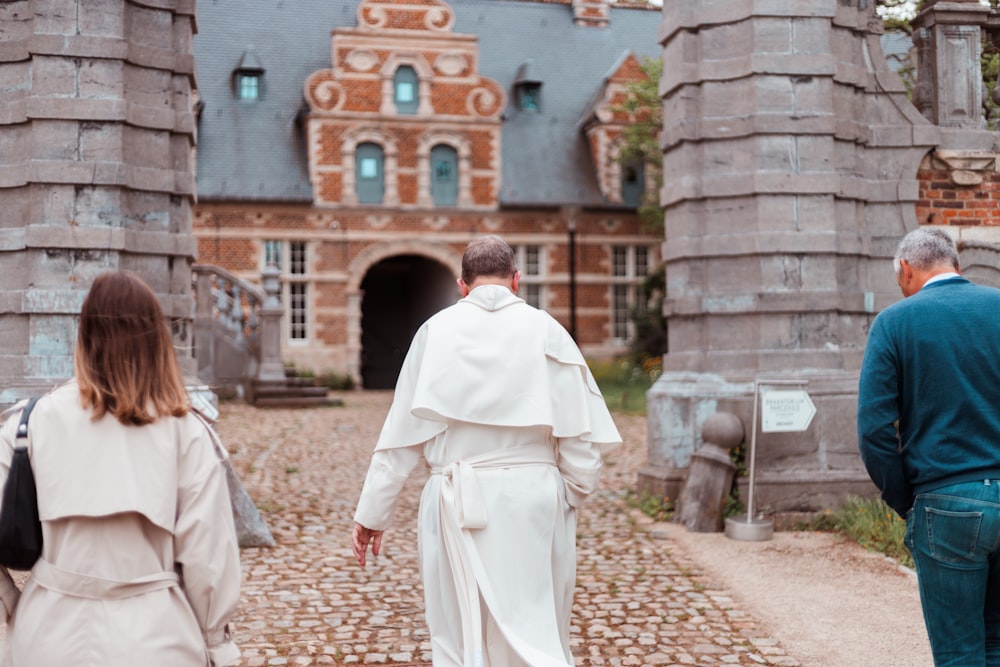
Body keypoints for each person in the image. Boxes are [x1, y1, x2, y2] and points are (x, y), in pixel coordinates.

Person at [352, 235, 622, 667]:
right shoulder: (548, 331)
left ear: (463, 284)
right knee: (538, 621)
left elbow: (400, 438)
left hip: (454, 499)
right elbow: (579, 438)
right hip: (534, 497)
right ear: (517, 280)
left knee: (457, 628)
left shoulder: (434, 332)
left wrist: (372, 514)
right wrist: (569, 494)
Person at [0, 270, 242, 666]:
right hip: (156, 639)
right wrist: (216, 643)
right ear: (156, 340)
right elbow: (209, 555)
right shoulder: (187, 433)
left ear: (85, 336)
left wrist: (14, 604)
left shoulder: (27, 426)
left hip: (47, 635)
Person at [858, 227, 1000, 666]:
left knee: (959, 653)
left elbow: (874, 430)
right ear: (957, 265)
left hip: (946, 501)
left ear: (905, 269)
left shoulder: (895, 322)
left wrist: (907, 501)